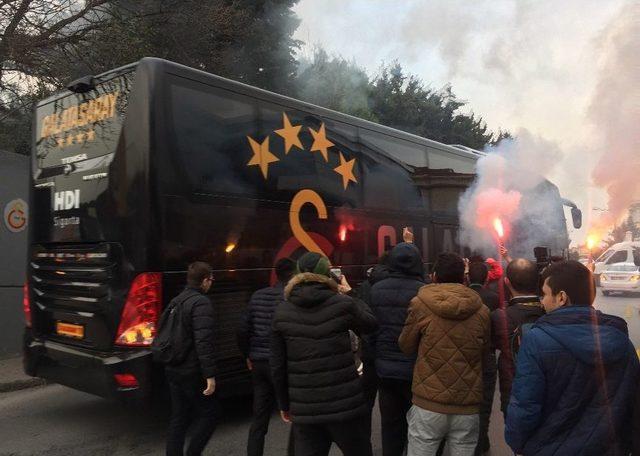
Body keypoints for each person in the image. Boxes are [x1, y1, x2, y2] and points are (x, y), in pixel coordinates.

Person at [506, 261, 639, 455]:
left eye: (544, 294)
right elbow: (633, 406)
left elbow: (525, 407)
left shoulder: (536, 340)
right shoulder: (622, 343)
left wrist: (517, 443)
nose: (541, 301)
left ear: (561, 298)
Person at [270, 252, 378, 456]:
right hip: (345, 405)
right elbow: (370, 324)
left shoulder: (282, 311)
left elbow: (277, 365)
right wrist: (350, 293)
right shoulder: (342, 304)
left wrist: (284, 403)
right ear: (327, 274)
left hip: (305, 409)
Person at [399, 253, 491, 456]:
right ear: (464, 278)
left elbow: (405, 345)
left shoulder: (420, 304)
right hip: (467, 405)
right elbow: (484, 351)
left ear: (434, 276)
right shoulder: (482, 310)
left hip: (428, 402)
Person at [369, 242, 426, 456]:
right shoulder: (424, 291)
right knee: (418, 429)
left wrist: (377, 356)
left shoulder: (376, 290)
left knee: (391, 427)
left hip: (385, 371)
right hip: (416, 371)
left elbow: (369, 331)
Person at [237, 258, 295, 456]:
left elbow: (243, 329)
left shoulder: (257, 296)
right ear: (294, 275)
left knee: (259, 417)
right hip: (282, 364)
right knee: (295, 413)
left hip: (258, 362)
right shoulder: (291, 298)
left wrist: (247, 354)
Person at [165, 262, 218, 456]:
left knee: (179, 417)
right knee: (210, 414)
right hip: (191, 371)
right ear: (204, 280)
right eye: (211, 279)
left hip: (173, 368)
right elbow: (203, 342)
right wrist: (210, 375)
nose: (211, 283)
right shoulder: (201, 303)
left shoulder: (177, 300)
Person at [490, 259, 545, 417]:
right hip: (552, 395)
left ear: (507, 282)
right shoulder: (552, 313)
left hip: (515, 396)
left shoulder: (499, 317)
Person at [467, 261, 499, 456]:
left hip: (464, 354)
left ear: (468, 277)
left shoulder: (462, 295)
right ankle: (481, 441)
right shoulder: (493, 298)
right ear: (487, 278)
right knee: (484, 402)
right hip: (486, 355)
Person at [357, 252, 390, 436]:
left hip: (369, 354)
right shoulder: (395, 285)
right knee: (391, 407)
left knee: (366, 401)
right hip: (391, 355)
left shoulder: (365, 286)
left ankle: (364, 441)